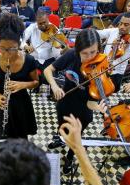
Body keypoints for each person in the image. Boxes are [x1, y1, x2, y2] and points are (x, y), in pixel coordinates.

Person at [44, 29, 110, 173]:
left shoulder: (101, 65)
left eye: (93, 52)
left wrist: (99, 108)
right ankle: (60, 139)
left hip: (83, 109)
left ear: (99, 48)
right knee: (62, 126)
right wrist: (55, 87)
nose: (89, 57)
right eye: (85, 53)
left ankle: (69, 157)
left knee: (75, 137)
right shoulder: (71, 55)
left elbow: (91, 102)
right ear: (78, 50)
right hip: (65, 102)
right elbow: (48, 70)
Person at [0, 14, 38, 139]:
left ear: (19, 44)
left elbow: (36, 82)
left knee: (22, 136)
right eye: (2, 48)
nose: (6, 53)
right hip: (3, 104)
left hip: (22, 104)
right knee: (6, 136)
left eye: (12, 49)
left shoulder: (29, 61)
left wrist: (23, 85)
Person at [97, 12, 130, 91]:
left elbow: (115, 62)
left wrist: (114, 48)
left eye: (126, 25)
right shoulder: (114, 31)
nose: (121, 27)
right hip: (103, 66)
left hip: (114, 72)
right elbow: (100, 33)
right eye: (120, 23)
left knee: (107, 92)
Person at [21, 10, 63, 86]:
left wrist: (54, 44)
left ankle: (51, 90)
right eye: (40, 24)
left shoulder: (55, 30)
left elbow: (56, 54)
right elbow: (21, 40)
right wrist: (26, 46)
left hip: (48, 60)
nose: (43, 25)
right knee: (24, 75)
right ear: (36, 22)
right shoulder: (32, 27)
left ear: (48, 20)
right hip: (34, 58)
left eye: (45, 22)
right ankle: (37, 84)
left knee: (48, 79)